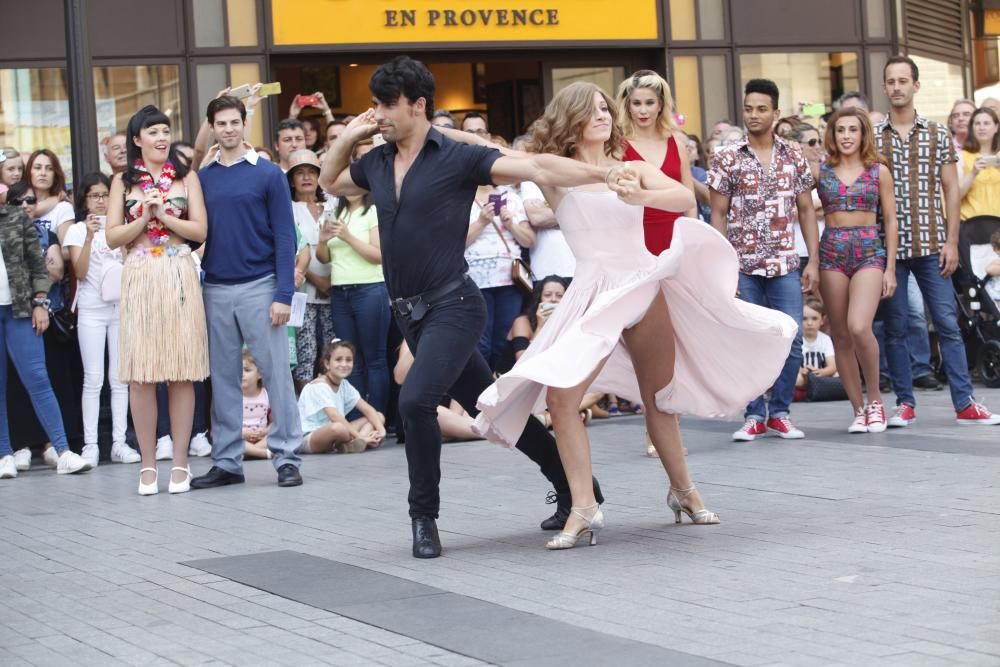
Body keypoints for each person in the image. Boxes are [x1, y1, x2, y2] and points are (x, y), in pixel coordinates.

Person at [318, 56, 625, 558]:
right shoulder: (375, 163)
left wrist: (604, 174)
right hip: (409, 313)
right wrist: (349, 136)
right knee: (498, 409)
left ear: (418, 106)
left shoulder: (455, 158)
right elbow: (332, 181)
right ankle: (576, 485)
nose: (379, 114)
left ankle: (424, 518)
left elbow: (537, 165)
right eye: (373, 105)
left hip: (455, 306)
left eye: (386, 104)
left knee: (416, 401)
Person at [470, 81, 797, 550]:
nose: (603, 115)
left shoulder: (630, 168)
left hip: (642, 285)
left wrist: (643, 197)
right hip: (593, 294)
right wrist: (432, 135)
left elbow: (686, 200)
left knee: (661, 399)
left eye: (606, 107)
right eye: (592, 110)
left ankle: (684, 492)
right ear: (572, 119)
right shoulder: (555, 174)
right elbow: (491, 148)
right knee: (563, 400)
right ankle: (583, 507)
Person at [875, 56, 1000, 426]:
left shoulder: (937, 133)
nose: (897, 87)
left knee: (947, 323)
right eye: (891, 81)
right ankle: (904, 402)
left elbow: (951, 191)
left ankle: (964, 402)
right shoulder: (875, 136)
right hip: (890, 247)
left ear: (916, 85)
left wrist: (951, 242)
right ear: (885, 87)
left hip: (933, 244)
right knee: (896, 326)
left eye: (903, 81)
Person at [191, 95, 304, 490]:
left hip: (261, 286)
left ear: (244, 124)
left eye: (234, 122)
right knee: (223, 379)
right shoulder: (202, 179)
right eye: (220, 123)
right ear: (212, 127)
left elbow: (286, 237)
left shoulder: (268, 173)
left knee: (276, 376)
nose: (228, 129)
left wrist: (284, 294)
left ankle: (287, 456)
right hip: (216, 287)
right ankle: (226, 461)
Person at [105, 106, 209, 495]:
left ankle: (180, 464)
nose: (162, 138)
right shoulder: (121, 182)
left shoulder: (187, 178)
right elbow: (112, 237)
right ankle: (148, 466)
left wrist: (165, 215)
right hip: (140, 273)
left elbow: (199, 229)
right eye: (153, 132)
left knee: (182, 370)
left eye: (166, 130)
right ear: (137, 140)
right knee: (142, 374)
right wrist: (142, 217)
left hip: (178, 271)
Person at [709, 79, 820, 442]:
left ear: (775, 113)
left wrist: (813, 261)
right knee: (748, 340)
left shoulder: (793, 155)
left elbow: (806, 209)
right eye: (749, 108)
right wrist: (722, 268)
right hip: (742, 266)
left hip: (786, 263)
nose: (754, 115)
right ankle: (754, 413)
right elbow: (718, 215)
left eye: (761, 109)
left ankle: (781, 412)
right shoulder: (727, 156)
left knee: (790, 340)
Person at [816, 107, 898, 432]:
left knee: (859, 327)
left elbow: (890, 220)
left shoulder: (878, 171)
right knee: (839, 334)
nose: (847, 136)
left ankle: (876, 400)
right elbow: (805, 209)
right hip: (831, 250)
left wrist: (890, 268)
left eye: (853, 129)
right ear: (832, 134)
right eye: (841, 130)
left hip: (868, 249)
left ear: (863, 133)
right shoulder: (822, 171)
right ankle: (858, 409)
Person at [0, 192, 92, 478]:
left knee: (38, 377)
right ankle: (4, 454)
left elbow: (38, 265)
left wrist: (41, 301)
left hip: (21, 309)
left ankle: (63, 451)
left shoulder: (15, 217)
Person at [63, 172, 140, 466]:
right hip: (91, 311)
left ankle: (119, 443)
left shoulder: (120, 228)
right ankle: (91, 444)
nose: (100, 201)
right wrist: (91, 236)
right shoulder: (76, 230)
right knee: (93, 379)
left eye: (105, 195)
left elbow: (130, 262)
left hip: (120, 308)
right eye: (94, 195)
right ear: (84, 199)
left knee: (120, 379)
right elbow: (80, 272)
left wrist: (114, 234)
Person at [316, 140, 391, 413]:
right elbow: (325, 258)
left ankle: (380, 418)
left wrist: (347, 237)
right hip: (341, 292)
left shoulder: (372, 210)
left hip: (370, 289)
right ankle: (359, 418)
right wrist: (323, 241)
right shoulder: (336, 212)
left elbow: (378, 254)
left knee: (375, 359)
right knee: (351, 359)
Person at [617, 70, 697, 253]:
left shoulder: (677, 146)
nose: (643, 110)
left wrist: (691, 238)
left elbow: (690, 201)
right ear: (628, 106)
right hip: (634, 237)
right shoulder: (618, 147)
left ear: (660, 105)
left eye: (649, 103)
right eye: (636, 103)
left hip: (676, 235)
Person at [465, 177, 533, 370]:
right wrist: (481, 222)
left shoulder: (511, 197)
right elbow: (454, 245)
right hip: (475, 280)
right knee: (480, 343)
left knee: (503, 342)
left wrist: (511, 224)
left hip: (510, 279)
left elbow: (529, 240)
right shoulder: (460, 196)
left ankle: (497, 387)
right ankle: (479, 390)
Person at [286, 149, 336, 388]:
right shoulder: (288, 207)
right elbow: (293, 250)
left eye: (311, 172)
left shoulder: (331, 204)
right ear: (291, 179)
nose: (306, 177)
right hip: (302, 290)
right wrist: (316, 280)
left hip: (336, 289)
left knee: (332, 350)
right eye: (299, 173)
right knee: (306, 351)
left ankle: (331, 404)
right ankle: (304, 409)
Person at [298, 340, 386, 454]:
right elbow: (335, 416)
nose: (344, 364)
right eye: (338, 360)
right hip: (309, 437)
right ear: (327, 364)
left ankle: (353, 444)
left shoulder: (344, 384)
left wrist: (381, 431)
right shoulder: (319, 386)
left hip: (337, 429)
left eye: (348, 360)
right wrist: (360, 436)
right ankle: (358, 440)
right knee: (339, 428)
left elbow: (368, 409)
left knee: (378, 417)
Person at [958, 106, 1000, 222]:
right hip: (972, 225)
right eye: (977, 124)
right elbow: (955, 196)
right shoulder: (962, 156)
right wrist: (972, 173)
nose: (981, 127)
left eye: (986, 123)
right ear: (972, 128)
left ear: (996, 127)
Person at [795, 299, 839, 394]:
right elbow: (792, 365)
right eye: (804, 319)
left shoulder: (825, 339)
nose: (809, 323)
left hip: (821, 376)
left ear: (822, 320)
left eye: (814, 319)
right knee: (794, 378)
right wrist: (802, 371)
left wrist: (821, 372)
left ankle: (810, 391)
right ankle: (817, 391)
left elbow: (832, 366)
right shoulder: (796, 339)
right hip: (803, 377)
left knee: (838, 375)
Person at [241, 351, 272, 460]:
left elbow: (274, 422)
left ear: (260, 374)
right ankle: (263, 453)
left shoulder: (266, 395)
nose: (242, 374)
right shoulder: (233, 397)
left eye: (247, 370)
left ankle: (248, 452)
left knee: (274, 436)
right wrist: (242, 434)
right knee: (229, 439)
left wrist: (264, 431)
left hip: (261, 438)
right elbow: (226, 424)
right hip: (240, 437)